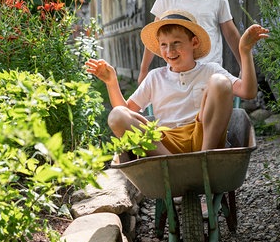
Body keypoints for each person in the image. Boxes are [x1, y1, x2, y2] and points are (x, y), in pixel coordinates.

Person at [86, 10, 268, 157]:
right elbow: (127, 111)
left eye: (176, 43)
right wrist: (112, 82)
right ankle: (171, 165)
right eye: (163, 44)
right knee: (117, 115)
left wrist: (244, 51)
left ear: (194, 42)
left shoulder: (210, 70)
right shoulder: (155, 77)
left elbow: (248, 92)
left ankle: (205, 159)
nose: (169, 50)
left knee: (220, 82)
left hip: (204, 136)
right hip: (165, 142)